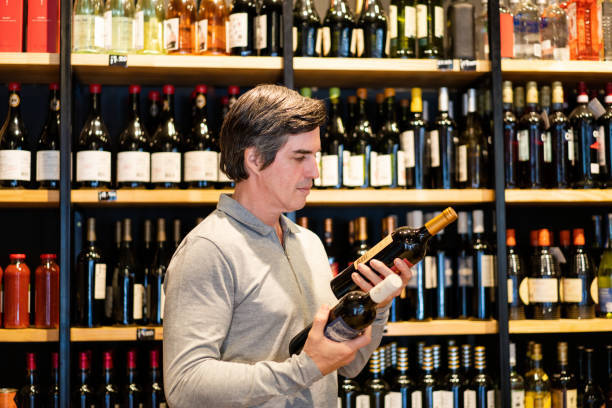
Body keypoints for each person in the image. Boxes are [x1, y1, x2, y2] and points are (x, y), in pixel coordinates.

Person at [163, 84, 412, 407]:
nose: (315, 172)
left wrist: (378, 305)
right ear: (253, 158)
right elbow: (184, 387)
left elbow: (350, 365)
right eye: (300, 157)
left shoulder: (308, 243)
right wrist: (303, 369)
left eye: (315, 156)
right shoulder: (208, 249)